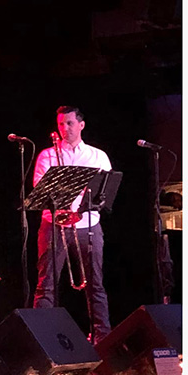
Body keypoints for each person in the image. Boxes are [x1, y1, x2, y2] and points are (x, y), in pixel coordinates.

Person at [32, 105, 112, 344]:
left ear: (81, 125)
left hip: (88, 225)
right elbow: (40, 188)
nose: (64, 128)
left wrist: (84, 203)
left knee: (95, 283)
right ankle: (41, 337)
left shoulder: (97, 156)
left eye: (69, 123)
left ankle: (102, 336)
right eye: (60, 124)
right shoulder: (48, 155)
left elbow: (104, 192)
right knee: (46, 284)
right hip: (54, 225)